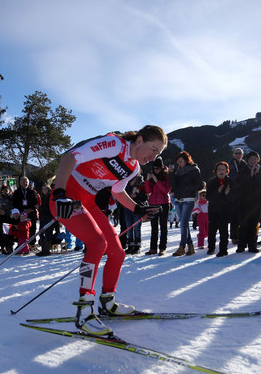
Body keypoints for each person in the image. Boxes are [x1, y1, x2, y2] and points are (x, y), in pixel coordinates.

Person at [50, 125, 166, 336]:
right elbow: (69, 158)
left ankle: (107, 302)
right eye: (153, 149)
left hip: (88, 202)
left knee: (117, 252)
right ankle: (84, 310)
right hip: (66, 199)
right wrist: (59, 193)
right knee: (97, 243)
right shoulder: (114, 144)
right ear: (139, 141)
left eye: (158, 153)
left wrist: (138, 209)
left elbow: (118, 191)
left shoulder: (133, 168)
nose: (154, 156)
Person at [169, 151, 204, 256]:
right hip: (178, 199)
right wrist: (171, 173)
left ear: (186, 161)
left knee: (183, 224)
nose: (179, 164)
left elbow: (199, 185)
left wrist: (187, 188)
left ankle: (182, 246)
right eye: (178, 162)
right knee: (184, 224)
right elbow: (172, 185)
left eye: (181, 161)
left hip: (188, 199)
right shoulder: (177, 172)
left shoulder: (194, 171)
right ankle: (190, 247)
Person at [235, 151, 261, 253]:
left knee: (254, 225)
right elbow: (239, 183)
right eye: (251, 159)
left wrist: (257, 174)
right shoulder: (243, 170)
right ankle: (241, 245)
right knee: (243, 224)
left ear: (258, 160)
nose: (253, 160)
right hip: (244, 201)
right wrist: (250, 175)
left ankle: (252, 246)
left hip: (257, 202)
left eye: (255, 158)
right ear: (248, 160)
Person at [206, 161, 236, 257]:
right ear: (216, 171)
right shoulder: (211, 182)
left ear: (227, 171)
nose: (221, 171)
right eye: (219, 169)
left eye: (223, 169)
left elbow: (234, 198)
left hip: (225, 210)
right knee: (212, 230)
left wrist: (227, 194)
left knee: (223, 231)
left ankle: (223, 250)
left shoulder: (231, 182)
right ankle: (211, 248)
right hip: (213, 210)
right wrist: (218, 191)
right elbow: (208, 197)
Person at [143, 157, 171, 255]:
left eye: (157, 168)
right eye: (154, 168)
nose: (155, 170)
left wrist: (156, 181)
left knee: (163, 227)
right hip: (152, 204)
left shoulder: (167, 176)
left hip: (163, 203)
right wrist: (147, 180)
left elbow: (165, 190)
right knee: (153, 227)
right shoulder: (152, 178)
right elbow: (148, 191)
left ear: (162, 168)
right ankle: (153, 248)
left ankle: (162, 248)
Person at [12, 177, 39, 249]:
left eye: (26, 182)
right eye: (23, 182)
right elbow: (14, 203)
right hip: (21, 214)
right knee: (21, 229)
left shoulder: (32, 192)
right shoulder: (17, 192)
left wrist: (31, 209)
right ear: (20, 183)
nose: (25, 183)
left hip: (31, 213)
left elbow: (36, 202)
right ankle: (21, 244)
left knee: (32, 228)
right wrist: (23, 210)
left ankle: (32, 244)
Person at [123, 173, 146, 255]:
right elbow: (123, 192)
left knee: (136, 227)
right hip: (128, 207)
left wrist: (136, 195)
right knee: (129, 227)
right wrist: (130, 185)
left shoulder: (142, 182)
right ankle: (130, 246)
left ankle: (137, 246)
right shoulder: (126, 181)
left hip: (138, 207)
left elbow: (145, 196)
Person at [228, 148, 246, 243]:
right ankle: (234, 237)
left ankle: (241, 235)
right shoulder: (229, 164)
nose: (238, 155)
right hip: (233, 193)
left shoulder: (245, 164)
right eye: (236, 153)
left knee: (242, 215)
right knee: (234, 215)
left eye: (240, 153)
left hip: (243, 193)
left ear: (242, 154)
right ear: (233, 154)